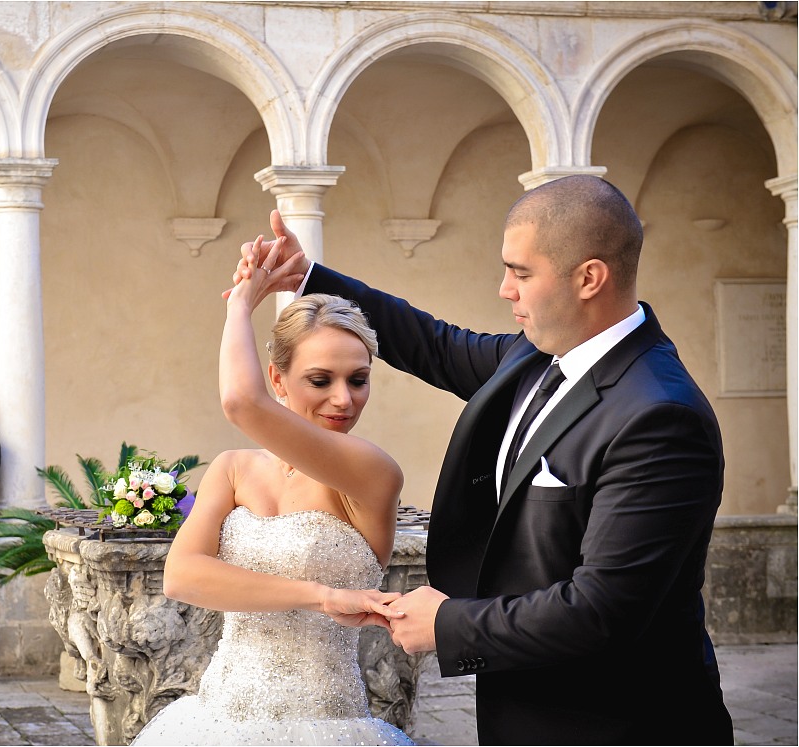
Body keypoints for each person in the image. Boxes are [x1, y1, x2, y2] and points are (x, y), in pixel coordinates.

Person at [235, 175, 733, 745]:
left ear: (589, 278)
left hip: (616, 723)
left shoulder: (661, 416)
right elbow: (433, 344)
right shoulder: (533, 355)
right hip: (521, 705)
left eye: (521, 273)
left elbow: (604, 609)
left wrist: (448, 624)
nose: (505, 289)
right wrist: (309, 278)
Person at [132, 239, 414, 745]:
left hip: (328, 725)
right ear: (276, 380)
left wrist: (242, 302)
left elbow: (241, 401)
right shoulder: (233, 469)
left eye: (358, 380)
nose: (344, 399)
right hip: (217, 717)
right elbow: (181, 575)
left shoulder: (372, 472)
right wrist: (321, 596)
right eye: (320, 380)